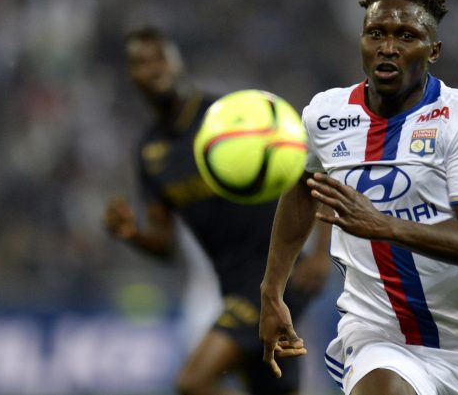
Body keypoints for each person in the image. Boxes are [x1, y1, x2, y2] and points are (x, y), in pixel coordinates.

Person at [258, 0, 458, 395]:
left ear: (433, 50)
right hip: (378, 336)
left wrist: (384, 226)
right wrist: (273, 289)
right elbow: (301, 191)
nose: (388, 47)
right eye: (376, 33)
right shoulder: (324, 116)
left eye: (407, 36)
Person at [104, 26, 332, 395]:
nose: (152, 68)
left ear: (177, 62)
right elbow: (165, 244)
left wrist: (321, 253)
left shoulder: (227, 115)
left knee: (194, 382)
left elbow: (308, 167)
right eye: (140, 63)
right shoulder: (150, 152)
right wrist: (132, 235)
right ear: (131, 76)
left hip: (276, 275)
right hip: (234, 284)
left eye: (159, 57)